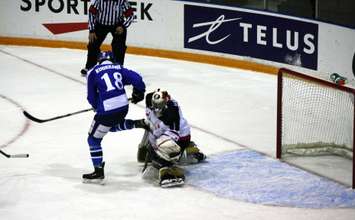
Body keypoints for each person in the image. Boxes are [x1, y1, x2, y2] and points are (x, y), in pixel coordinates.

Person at [82, 50, 147, 184]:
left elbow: (91, 97)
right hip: (123, 107)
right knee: (109, 127)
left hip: (107, 111)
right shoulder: (118, 67)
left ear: (99, 61)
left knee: (93, 140)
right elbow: (137, 79)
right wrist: (139, 92)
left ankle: (98, 171)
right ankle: (136, 124)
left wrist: (97, 106)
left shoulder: (93, 71)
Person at [135, 89, 206, 187]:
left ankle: (169, 168)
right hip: (172, 134)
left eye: (158, 106)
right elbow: (152, 125)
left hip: (180, 137)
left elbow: (171, 132)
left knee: (162, 146)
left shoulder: (171, 110)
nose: (156, 108)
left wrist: (154, 146)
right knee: (150, 131)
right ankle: (184, 152)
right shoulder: (152, 103)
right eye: (154, 105)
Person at [80, 0, 134, 76]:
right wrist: (91, 30)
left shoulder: (121, 1)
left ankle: (118, 67)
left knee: (119, 46)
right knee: (93, 44)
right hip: (100, 24)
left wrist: (123, 26)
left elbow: (130, 15)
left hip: (117, 25)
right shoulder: (99, 1)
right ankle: (90, 67)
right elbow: (91, 13)